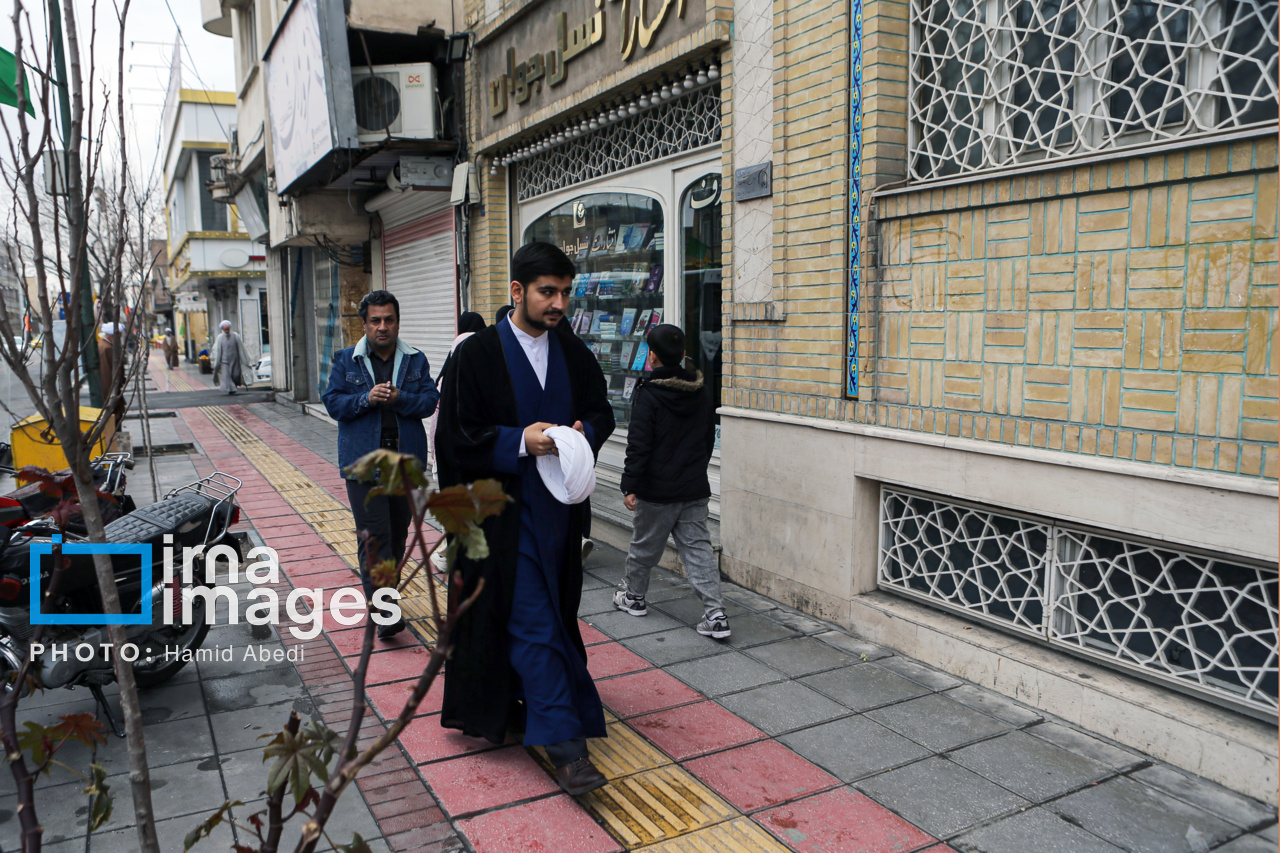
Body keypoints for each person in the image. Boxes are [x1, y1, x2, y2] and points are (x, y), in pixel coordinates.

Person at [438, 242, 614, 796]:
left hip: (559, 518)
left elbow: (601, 410)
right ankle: (566, 747)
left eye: (566, 291)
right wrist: (520, 441)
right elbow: (455, 436)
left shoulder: (573, 352)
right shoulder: (477, 355)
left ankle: (514, 701)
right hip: (499, 518)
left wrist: (583, 435)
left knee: (549, 616)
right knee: (534, 621)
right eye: (547, 292)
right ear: (517, 291)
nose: (559, 302)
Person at [323, 291, 438, 639]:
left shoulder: (415, 360)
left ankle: (384, 598)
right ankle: (386, 609)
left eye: (389, 319)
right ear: (365, 324)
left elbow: (430, 401)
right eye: (376, 320)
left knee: (398, 534)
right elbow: (332, 403)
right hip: (364, 463)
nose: (383, 326)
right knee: (375, 537)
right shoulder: (346, 360)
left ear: (397, 321)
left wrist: (401, 398)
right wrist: (365, 398)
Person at [614, 324, 729, 639]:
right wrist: (694, 470)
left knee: (644, 547)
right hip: (693, 486)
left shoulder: (648, 393)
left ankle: (634, 598)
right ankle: (715, 613)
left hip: (657, 489)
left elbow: (639, 444)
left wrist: (630, 485)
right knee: (698, 550)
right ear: (681, 356)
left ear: (651, 356)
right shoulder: (700, 390)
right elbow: (708, 439)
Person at [211, 320, 251, 395]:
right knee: (226, 375)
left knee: (235, 375)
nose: (226, 330)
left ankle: (233, 385)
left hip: (235, 360)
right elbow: (216, 350)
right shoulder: (220, 338)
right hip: (224, 361)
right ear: (222, 330)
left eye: (228, 329)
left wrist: (244, 359)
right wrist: (215, 360)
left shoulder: (236, 336)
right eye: (225, 329)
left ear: (230, 328)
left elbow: (241, 348)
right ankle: (231, 389)